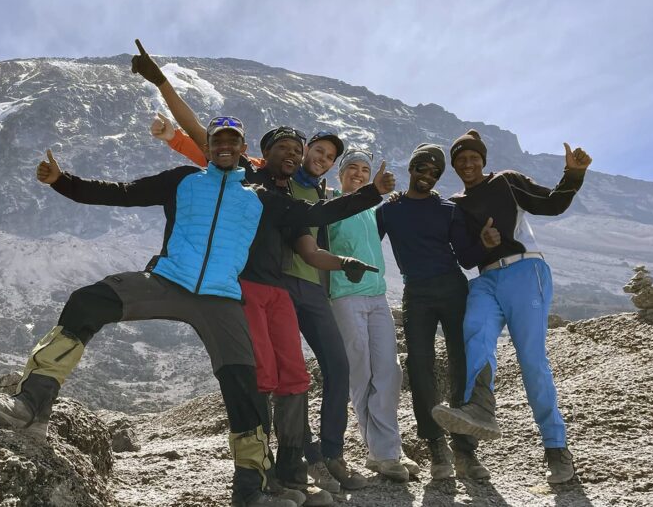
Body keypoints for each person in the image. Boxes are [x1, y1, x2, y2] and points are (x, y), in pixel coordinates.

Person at [0, 119, 294, 507]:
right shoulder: (183, 179)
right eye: (217, 140)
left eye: (233, 140)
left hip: (221, 299)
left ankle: (252, 489)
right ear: (207, 146)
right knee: (88, 300)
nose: (224, 145)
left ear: (242, 148)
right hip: (167, 281)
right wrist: (63, 181)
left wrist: (370, 195)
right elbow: (124, 193)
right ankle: (30, 407)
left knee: (245, 384)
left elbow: (318, 214)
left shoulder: (259, 196)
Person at [132, 41, 367, 492]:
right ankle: (261, 473)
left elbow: (313, 235)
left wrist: (365, 208)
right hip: (244, 287)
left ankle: (294, 472)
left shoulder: (297, 197)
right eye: (288, 149)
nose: (296, 156)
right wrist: (161, 82)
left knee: (294, 377)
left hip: (281, 287)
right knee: (260, 376)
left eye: (301, 151)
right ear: (264, 152)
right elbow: (198, 133)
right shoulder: (248, 175)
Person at [431, 129, 592, 484]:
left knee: (532, 360)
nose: (467, 163)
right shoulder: (455, 205)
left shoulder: (507, 181)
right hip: (487, 278)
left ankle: (556, 448)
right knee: (475, 333)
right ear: (455, 166)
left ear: (483, 161)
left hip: (524, 270)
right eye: (460, 159)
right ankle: (481, 408)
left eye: (473, 157)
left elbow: (551, 204)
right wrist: (484, 244)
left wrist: (573, 174)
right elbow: (465, 256)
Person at [376, 143, 497, 481]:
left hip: (453, 290)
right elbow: (367, 241)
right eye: (422, 169)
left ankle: (465, 449)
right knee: (420, 365)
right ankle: (435, 448)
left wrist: (485, 244)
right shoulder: (390, 210)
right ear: (411, 169)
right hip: (417, 294)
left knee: (461, 361)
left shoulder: (447, 209)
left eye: (434, 172)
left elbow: (467, 258)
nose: (427, 176)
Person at [325, 148, 413, 483]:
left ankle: (387, 450)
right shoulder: (330, 202)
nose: (359, 174)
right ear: (340, 173)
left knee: (388, 370)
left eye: (365, 169)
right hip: (344, 295)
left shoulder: (372, 208)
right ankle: (382, 453)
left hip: (377, 296)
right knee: (360, 372)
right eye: (353, 169)